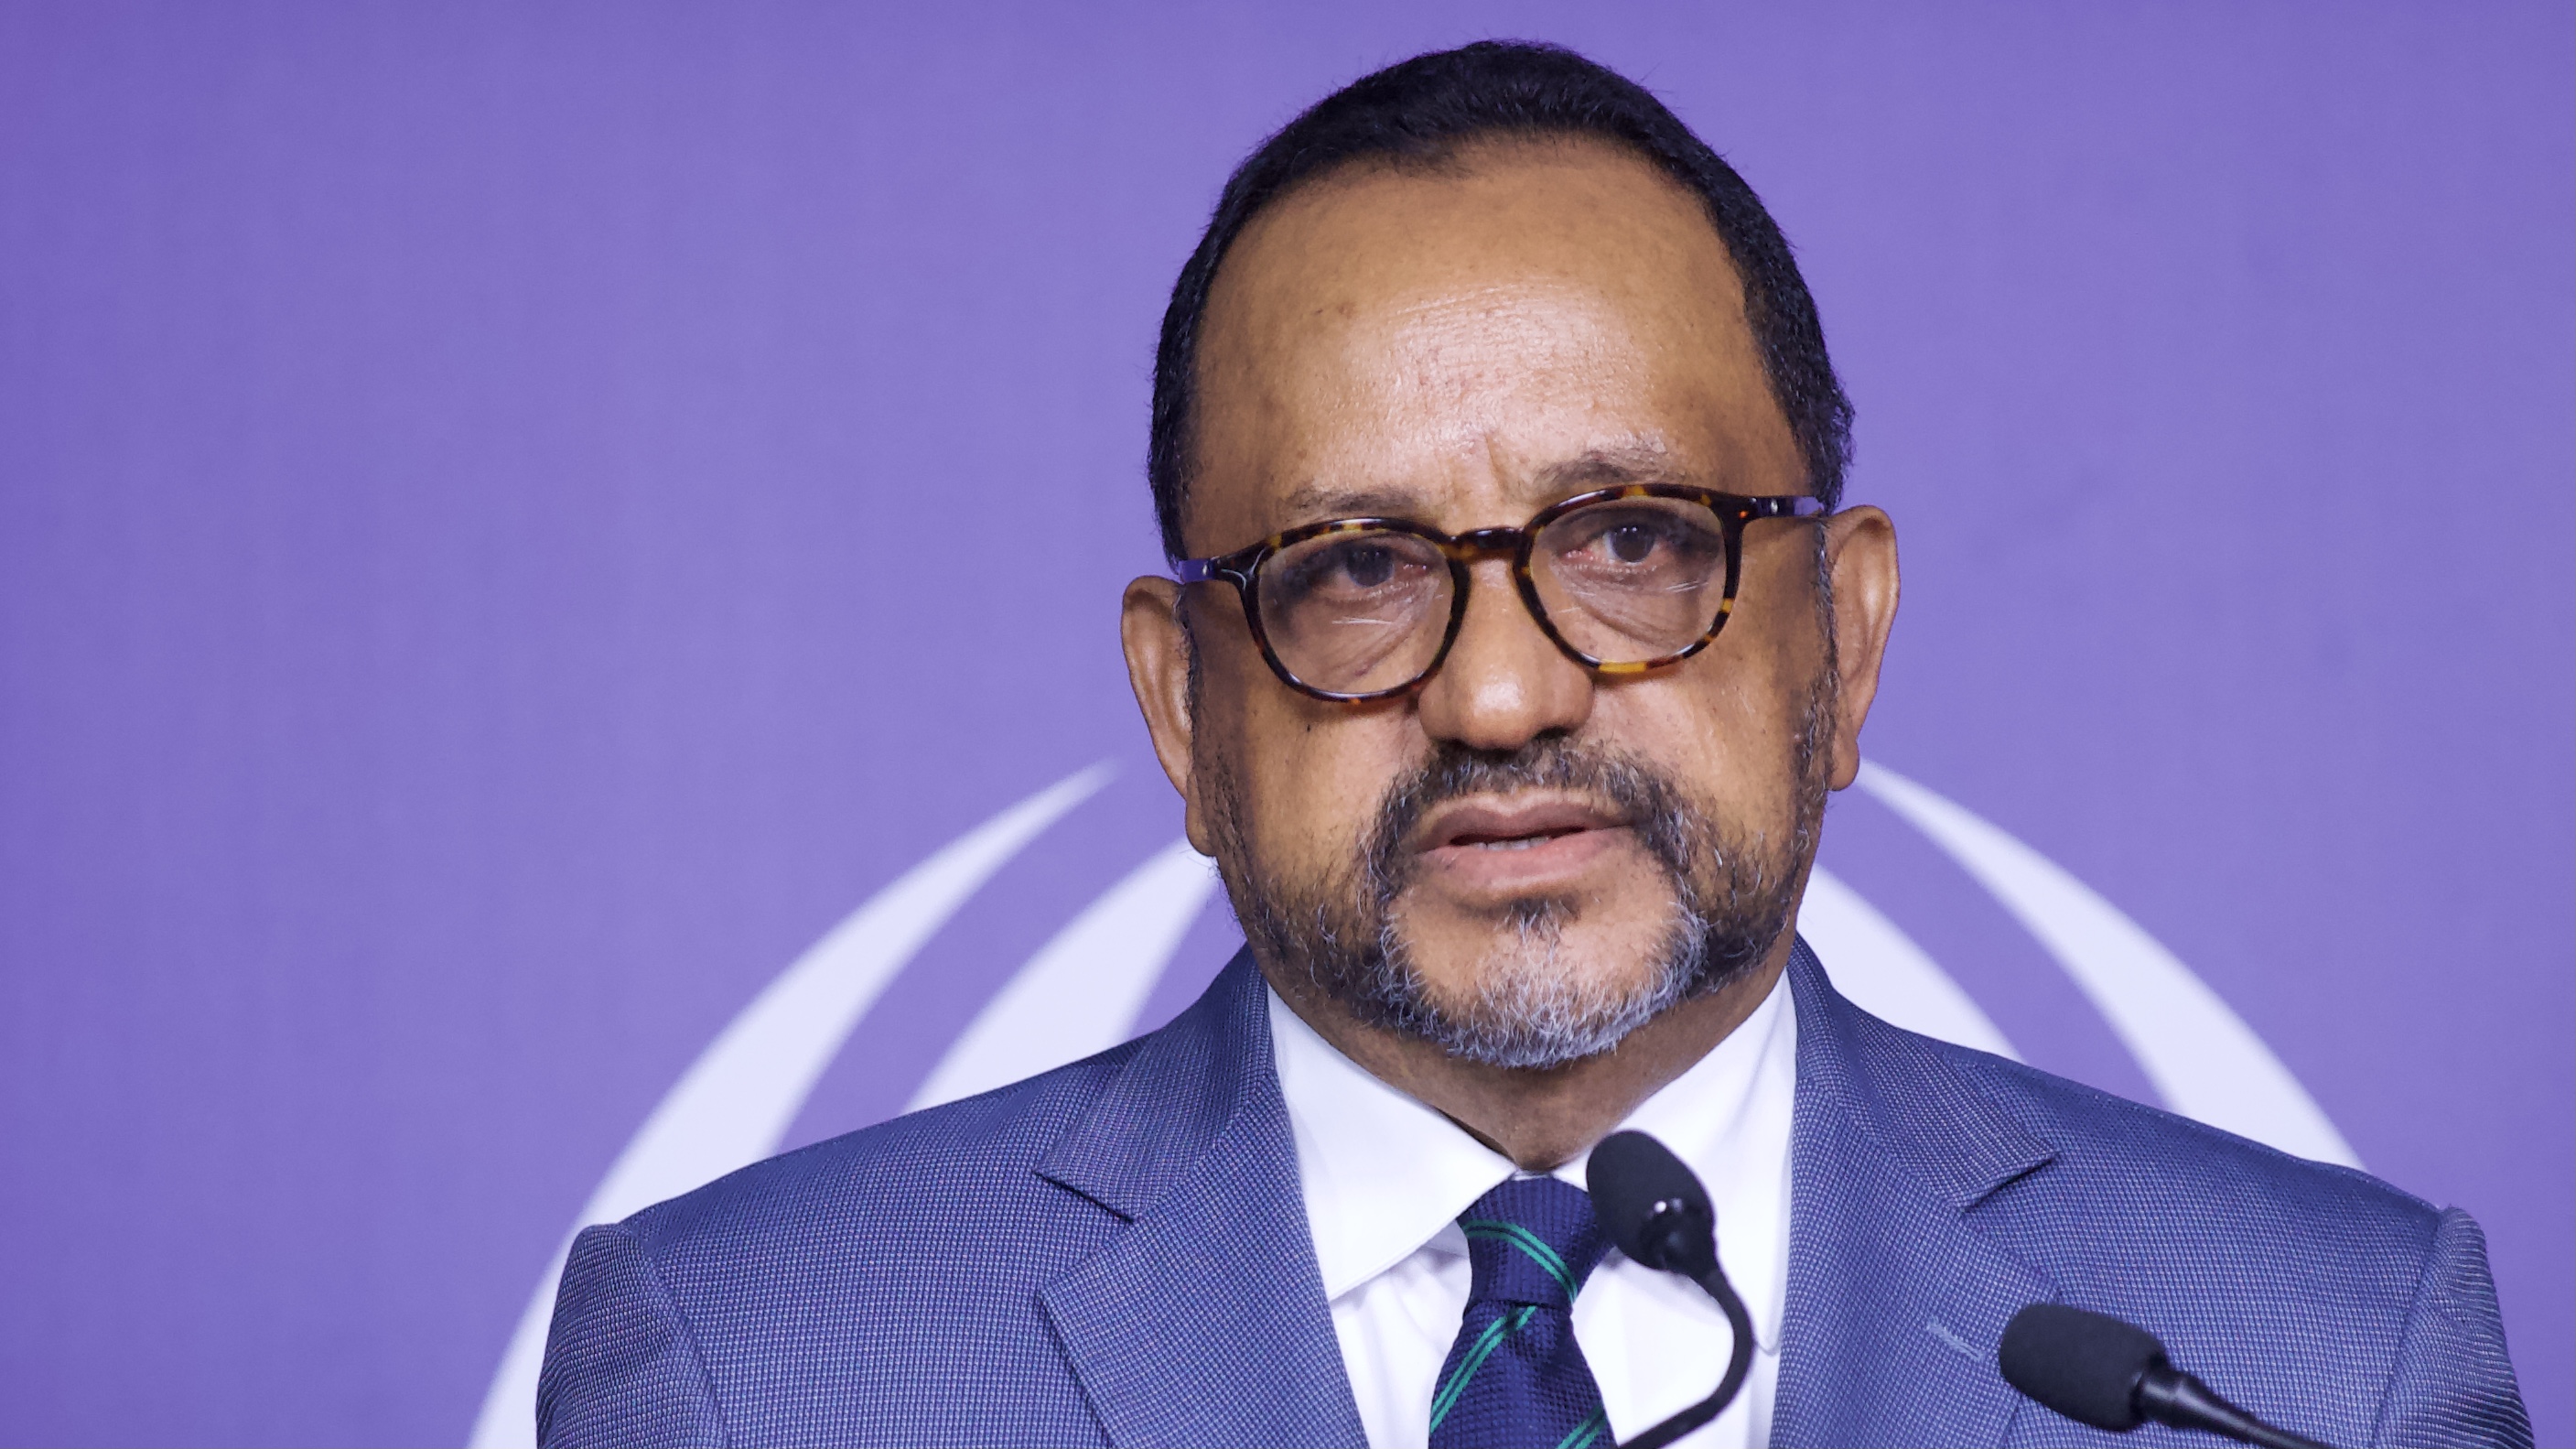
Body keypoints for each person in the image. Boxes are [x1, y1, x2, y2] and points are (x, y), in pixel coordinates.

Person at [535, 42, 2528, 1449]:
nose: (1500, 698)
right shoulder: (750, 1373)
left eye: (1632, 542)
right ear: (1183, 706)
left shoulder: (2319, 1364)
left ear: (1842, 637)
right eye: (1354, 569)